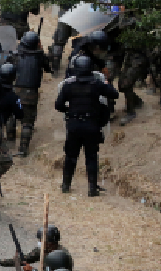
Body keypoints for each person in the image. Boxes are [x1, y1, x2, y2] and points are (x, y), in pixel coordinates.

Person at [54, 55, 118, 197]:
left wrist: (69, 111)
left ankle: (66, 185)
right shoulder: (97, 84)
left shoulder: (68, 85)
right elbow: (115, 95)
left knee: (70, 156)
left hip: (74, 125)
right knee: (91, 157)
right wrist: (107, 83)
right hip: (91, 126)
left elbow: (58, 105)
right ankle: (92, 189)